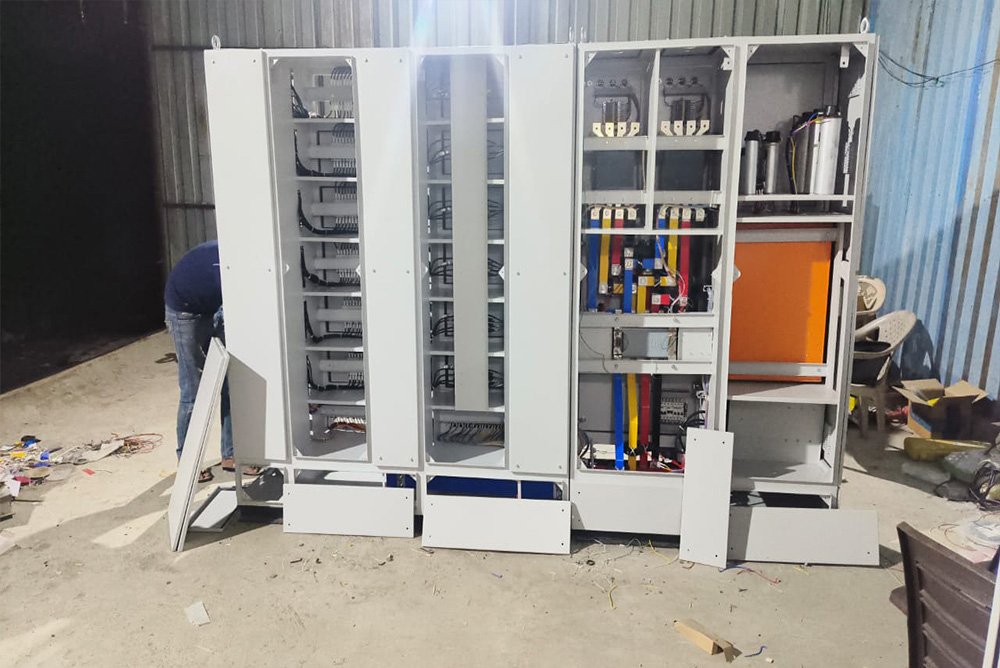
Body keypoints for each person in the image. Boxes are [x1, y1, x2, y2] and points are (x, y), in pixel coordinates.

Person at [164, 240, 258, 482]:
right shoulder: (227, 266)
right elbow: (242, 305)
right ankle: (188, 463)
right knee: (193, 391)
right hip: (185, 312)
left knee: (232, 381)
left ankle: (232, 454)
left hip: (214, 306)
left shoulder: (243, 259)